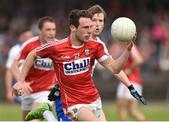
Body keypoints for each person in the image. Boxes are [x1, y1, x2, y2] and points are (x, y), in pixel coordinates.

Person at [14, 9, 146, 121]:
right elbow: (32, 54)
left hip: (94, 99)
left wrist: (128, 50)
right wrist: (20, 81)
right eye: (85, 28)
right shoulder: (56, 47)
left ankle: (46, 113)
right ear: (73, 27)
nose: (90, 31)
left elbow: (115, 68)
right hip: (73, 103)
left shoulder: (96, 46)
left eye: (91, 27)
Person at [11, 16, 58, 121]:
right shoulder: (29, 45)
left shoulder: (59, 46)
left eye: (54, 29)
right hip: (28, 90)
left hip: (46, 92)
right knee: (26, 120)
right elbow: (14, 66)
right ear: (40, 30)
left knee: (34, 120)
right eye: (48, 29)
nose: (52, 33)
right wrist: (21, 82)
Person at [109, 42, 146, 121]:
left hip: (129, 82)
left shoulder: (129, 46)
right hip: (135, 81)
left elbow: (139, 60)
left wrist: (129, 69)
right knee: (132, 111)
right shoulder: (124, 46)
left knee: (121, 108)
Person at [5, 28, 33, 103]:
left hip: (36, 84)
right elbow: (9, 72)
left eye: (31, 37)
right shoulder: (15, 50)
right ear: (20, 37)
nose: (29, 39)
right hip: (21, 86)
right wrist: (9, 90)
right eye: (27, 37)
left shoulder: (36, 49)